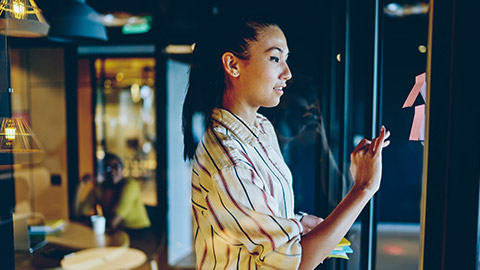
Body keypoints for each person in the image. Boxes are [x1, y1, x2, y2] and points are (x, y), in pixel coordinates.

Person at [182, 17, 390, 269]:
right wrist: (364, 188)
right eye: (274, 58)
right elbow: (297, 262)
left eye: (285, 59)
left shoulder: (261, 127)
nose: (287, 72)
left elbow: (255, 216)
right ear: (232, 64)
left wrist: (298, 223)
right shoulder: (230, 165)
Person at [96, 152, 156, 254]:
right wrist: (81, 184)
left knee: (107, 253)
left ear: (122, 168)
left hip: (140, 236)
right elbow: (77, 211)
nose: (112, 171)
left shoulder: (130, 185)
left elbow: (113, 222)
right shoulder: (103, 188)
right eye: (108, 168)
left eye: (116, 167)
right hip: (120, 234)